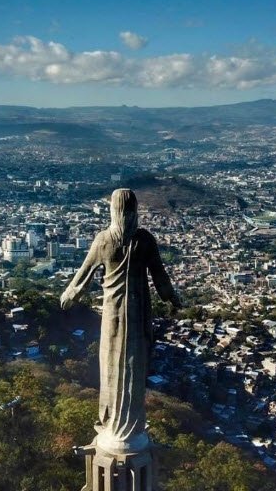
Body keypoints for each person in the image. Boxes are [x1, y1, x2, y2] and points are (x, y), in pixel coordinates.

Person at [61, 188, 181, 452]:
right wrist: (171, 298)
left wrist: (69, 296)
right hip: (138, 316)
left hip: (113, 317)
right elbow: (160, 277)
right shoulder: (145, 240)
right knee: (134, 369)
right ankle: (128, 426)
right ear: (135, 210)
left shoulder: (104, 240)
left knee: (111, 367)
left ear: (112, 211)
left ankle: (116, 424)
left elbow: (83, 275)